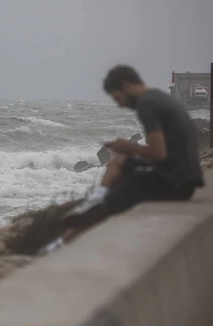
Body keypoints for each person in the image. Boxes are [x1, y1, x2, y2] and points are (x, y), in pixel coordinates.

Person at [40, 65, 205, 254]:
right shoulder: (160, 98)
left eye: (117, 98)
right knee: (119, 161)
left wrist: (128, 147)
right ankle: (97, 197)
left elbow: (159, 153)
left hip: (173, 183)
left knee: (111, 200)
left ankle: (61, 244)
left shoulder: (146, 105)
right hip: (182, 176)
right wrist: (126, 151)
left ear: (126, 86)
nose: (119, 105)